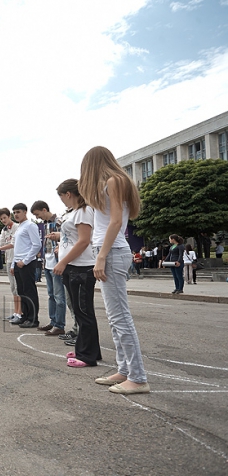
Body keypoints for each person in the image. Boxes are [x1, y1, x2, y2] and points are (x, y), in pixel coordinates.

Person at [79, 145, 149, 395]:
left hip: (113, 252)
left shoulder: (114, 180)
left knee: (120, 317)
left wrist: (101, 257)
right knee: (114, 316)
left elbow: (116, 221)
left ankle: (138, 377)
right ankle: (125, 370)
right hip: (110, 252)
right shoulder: (112, 182)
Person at [51, 179, 100, 367]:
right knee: (81, 312)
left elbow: (84, 241)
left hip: (81, 267)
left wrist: (63, 261)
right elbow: (73, 238)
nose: (62, 201)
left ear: (69, 194)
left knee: (83, 311)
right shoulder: (75, 212)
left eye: (62, 197)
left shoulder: (84, 211)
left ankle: (87, 355)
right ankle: (87, 348)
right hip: (74, 266)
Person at [31, 201, 66, 336]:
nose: (38, 217)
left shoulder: (59, 222)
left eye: (38, 214)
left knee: (59, 296)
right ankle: (53, 321)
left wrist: (60, 245)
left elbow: (68, 238)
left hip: (57, 262)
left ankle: (59, 324)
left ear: (44, 210)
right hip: (48, 262)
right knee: (51, 295)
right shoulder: (45, 225)